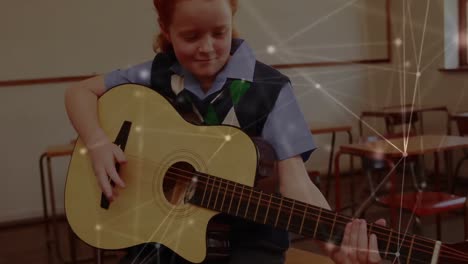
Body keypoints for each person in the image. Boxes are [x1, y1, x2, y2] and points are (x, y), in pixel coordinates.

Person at [65, 0, 384, 263]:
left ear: (232, 18)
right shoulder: (152, 75)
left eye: (220, 33)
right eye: (191, 37)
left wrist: (335, 244)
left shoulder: (270, 89)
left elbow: (296, 182)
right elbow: (79, 93)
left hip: (247, 248)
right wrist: (97, 142)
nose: (207, 48)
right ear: (166, 30)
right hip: (160, 242)